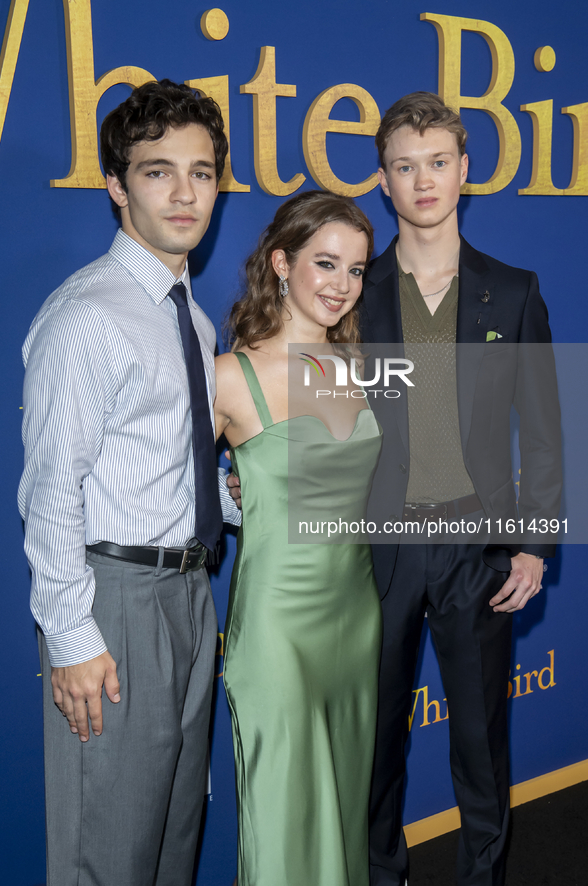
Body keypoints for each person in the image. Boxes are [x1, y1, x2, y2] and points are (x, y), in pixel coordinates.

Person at [18, 79, 240, 886]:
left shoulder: (191, 315)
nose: (185, 193)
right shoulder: (87, 316)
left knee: (173, 838)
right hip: (112, 600)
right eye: (157, 172)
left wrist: (228, 493)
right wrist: (73, 640)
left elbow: (155, 455)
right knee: (105, 852)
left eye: (203, 171)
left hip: (189, 593)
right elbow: (52, 489)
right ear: (116, 185)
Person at [361, 93, 561, 886]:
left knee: (480, 746)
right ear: (383, 181)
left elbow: (544, 432)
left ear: (464, 171)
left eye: (437, 162)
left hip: (476, 552)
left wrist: (535, 544)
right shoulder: (353, 296)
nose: (423, 181)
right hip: (378, 555)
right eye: (405, 167)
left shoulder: (512, 291)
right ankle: (382, 875)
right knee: (374, 743)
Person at [214, 190, 383, 886]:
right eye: (325, 263)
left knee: (341, 814)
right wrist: (237, 498)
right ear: (280, 263)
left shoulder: (359, 369)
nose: (341, 286)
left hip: (355, 618)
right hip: (277, 629)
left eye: (356, 270)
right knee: (285, 820)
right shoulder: (229, 375)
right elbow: (164, 495)